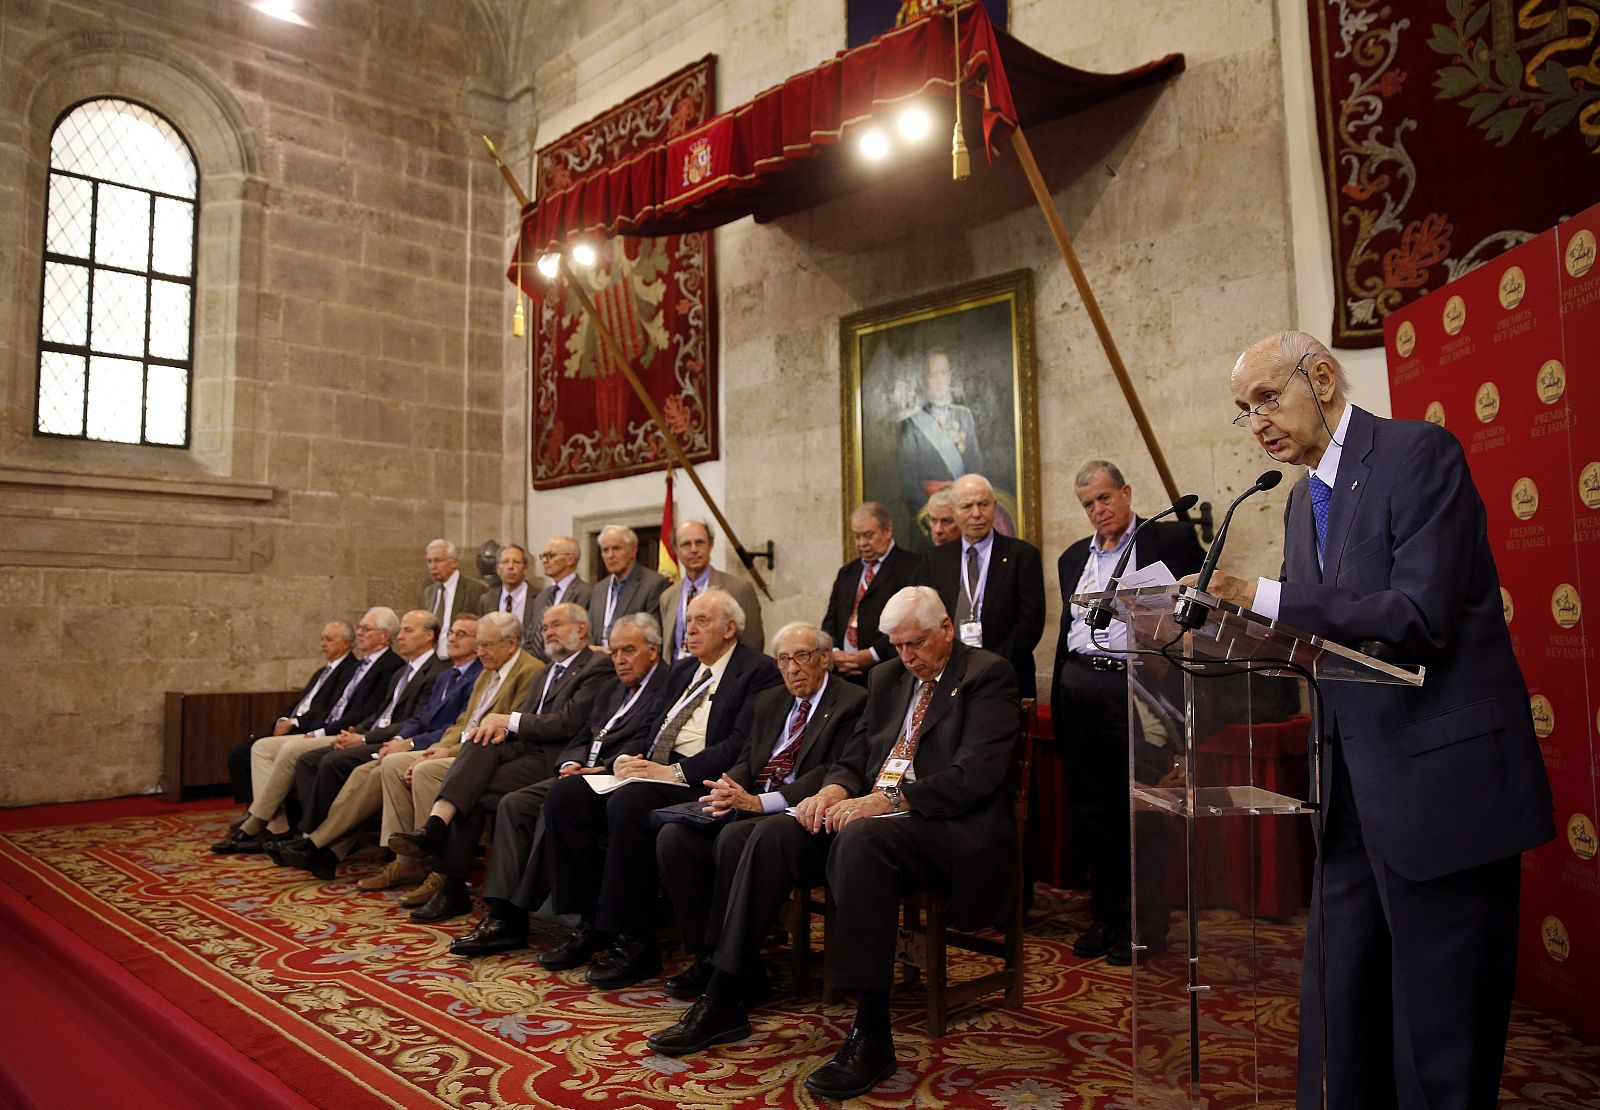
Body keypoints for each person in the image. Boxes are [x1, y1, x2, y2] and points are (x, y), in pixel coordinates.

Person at [1193, 330, 1553, 1110]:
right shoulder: (1294, 502)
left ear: (1322, 377)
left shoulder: (1420, 455)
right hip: (1349, 790)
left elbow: (1415, 615)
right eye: (1242, 411)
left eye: (1266, 399)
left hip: (1436, 784)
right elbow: (1310, 634)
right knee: (1345, 1011)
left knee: (1439, 1029)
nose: (1255, 422)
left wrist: (1261, 596)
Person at [644, 586, 1017, 1103]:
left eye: (916, 644)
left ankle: (872, 1033)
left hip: (949, 827)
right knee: (773, 832)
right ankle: (726, 992)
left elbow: (975, 775)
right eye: (898, 646)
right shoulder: (887, 677)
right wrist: (833, 789)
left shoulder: (986, 675)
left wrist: (888, 801)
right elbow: (858, 754)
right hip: (873, 816)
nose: (907, 657)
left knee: (863, 839)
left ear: (946, 630)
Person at [537, 589, 782, 988]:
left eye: (702, 620)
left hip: (700, 781)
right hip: (655, 771)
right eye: (689, 620)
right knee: (567, 793)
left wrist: (676, 773)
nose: (690, 628)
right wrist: (627, 759)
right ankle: (589, 922)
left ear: (731, 627)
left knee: (630, 804)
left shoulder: (757, 670)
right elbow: (653, 725)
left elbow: (740, 744)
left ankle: (635, 940)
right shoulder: (683, 670)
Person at [653, 622, 867, 998]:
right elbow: (749, 759)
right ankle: (709, 954)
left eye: (802, 657)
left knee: (734, 838)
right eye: (783, 659)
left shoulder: (852, 700)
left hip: (802, 812)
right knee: (675, 837)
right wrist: (727, 788)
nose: (792, 668)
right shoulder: (769, 700)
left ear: (824, 659)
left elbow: (833, 769)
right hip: (751, 803)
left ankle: (732, 965)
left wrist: (760, 802)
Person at [1050, 459, 1204, 964]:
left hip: (1136, 685)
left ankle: (1145, 924)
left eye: (1104, 498)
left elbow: (1198, 604)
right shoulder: (1073, 557)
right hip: (1079, 683)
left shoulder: (1168, 540)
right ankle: (1107, 916)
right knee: (1093, 810)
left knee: (1138, 809)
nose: (1098, 510)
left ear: (1127, 492)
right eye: (1088, 504)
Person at [447, 613, 670, 957]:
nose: (620, 660)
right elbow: (583, 733)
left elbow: (649, 739)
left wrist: (600, 768)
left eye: (629, 650)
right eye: (614, 652)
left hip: (618, 775)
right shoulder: (613, 686)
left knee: (557, 801)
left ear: (653, 651)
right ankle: (507, 917)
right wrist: (570, 763)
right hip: (579, 771)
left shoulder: (665, 687)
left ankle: (549, 918)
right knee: (514, 803)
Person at [387, 603, 615, 922]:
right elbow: (521, 724)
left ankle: (450, 878)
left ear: (582, 630)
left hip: (556, 757)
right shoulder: (548, 671)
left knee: (471, 792)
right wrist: (498, 729)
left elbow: (568, 723)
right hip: (525, 750)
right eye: (545, 626)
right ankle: (439, 840)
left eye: (556, 625)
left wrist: (508, 721)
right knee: (480, 738)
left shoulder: (595, 666)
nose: (548, 631)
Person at [278, 616, 482, 882]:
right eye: (452, 632)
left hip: (439, 746)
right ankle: (324, 848)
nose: (452, 638)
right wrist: (398, 739)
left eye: (462, 634)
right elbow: (420, 718)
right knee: (362, 772)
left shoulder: (476, 675)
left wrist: (407, 743)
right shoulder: (446, 676)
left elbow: (452, 726)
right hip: (411, 741)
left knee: (369, 769)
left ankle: (318, 845)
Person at [371, 610, 543, 913]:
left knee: (426, 772)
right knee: (394, 764)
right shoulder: (488, 671)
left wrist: (448, 752)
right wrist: (439, 746)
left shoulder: (530, 672)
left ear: (512, 643)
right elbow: (465, 720)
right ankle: (408, 861)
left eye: (487, 646)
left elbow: (506, 732)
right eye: (479, 645)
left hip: (492, 755)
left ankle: (438, 869)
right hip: (464, 747)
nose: (480, 653)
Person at [212, 608, 404, 853]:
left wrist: (323, 732)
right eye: (359, 628)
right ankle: (274, 824)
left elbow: (369, 711)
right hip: (334, 728)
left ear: (385, 636)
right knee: (260, 747)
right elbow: (330, 703)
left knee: (295, 750)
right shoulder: (359, 666)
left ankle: (263, 822)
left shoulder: (390, 666)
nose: (359, 633)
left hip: (350, 732)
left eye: (366, 629)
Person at [924, 473, 1045, 698]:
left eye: (983, 504)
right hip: (949, 678)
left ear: (994, 506)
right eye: (967, 506)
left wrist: (988, 666)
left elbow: (1030, 625)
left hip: (1006, 675)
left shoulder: (1022, 555)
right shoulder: (935, 560)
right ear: (953, 510)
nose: (977, 514)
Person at [224, 620, 356, 804]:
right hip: (293, 724)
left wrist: (295, 723)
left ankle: (264, 813)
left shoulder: (350, 670)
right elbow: (302, 702)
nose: (323, 644)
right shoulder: (323, 671)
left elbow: (325, 708)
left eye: (329, 640)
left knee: (247, 752)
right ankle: (255, 808)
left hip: (309, 728)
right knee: (240, 752)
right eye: (322, 639)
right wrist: (284, 718)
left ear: (347, 643)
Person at [820, 501, 924, 685]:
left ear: (888, 530)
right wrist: (835, 653)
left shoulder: (913, 567)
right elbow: (830, 620)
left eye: (868, 535)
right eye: (857, 536)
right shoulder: (847, 572)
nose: (862, 543)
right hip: (844, 675)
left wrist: (873, 654)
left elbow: (911, 622)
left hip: (889, 672)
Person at [658, 519, 764, 657]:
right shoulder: (668, 596)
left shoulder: (739, 589)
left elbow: (753, 644)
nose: (694, 550)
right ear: (675, 549)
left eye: (700, 542)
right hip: (678, 675)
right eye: (686, 544)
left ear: (711, 545)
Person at [898, 351, 982, 521]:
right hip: (930, 516)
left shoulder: (964, 416)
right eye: (932, 374)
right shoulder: (912, 424)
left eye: (942, 373)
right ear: (924, 380)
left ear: (950, 376)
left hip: (962, 513)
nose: (938, 379)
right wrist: (932, 517)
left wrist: (966, 509)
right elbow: (909, 482)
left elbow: (976, 467)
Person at [587, 524, 670, 646]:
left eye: (616, 548)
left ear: (633, 550)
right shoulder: (599, 589)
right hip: (598, 662)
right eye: (605, 550)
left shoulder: (653, 584)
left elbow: (654, 636)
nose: (610, 556)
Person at [524, 536, 592, 661]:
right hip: (537, 668)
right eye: (543, 556)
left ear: (570, 560)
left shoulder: (585, 593)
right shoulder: (542, 595)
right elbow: (531, 635)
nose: (545, 560)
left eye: (551, 556)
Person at [423, 539, 487, 656]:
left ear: (454, 562)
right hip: (433, 660)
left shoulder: (475, 589)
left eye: (437, 561)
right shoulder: (429, 592)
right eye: (429, 561)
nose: (432, 566)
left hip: (462, 658)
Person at [479, 544, 534, 626]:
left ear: (525, 569)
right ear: (498, 569)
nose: (510, 566)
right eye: (505, 562)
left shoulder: (539, 598)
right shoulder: (487, 600)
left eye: (516, 562)